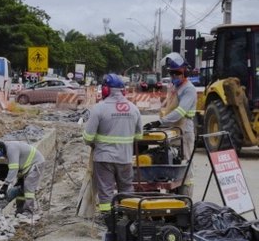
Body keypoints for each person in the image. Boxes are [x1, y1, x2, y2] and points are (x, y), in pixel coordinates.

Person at [83, 73, 142, 221]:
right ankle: (128, 219)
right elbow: (139, 137)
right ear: (123, 90)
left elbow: (87, 137)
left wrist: (95, 142)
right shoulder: (134, 109)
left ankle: (109, 221)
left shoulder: (98, 109)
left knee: (106, 191)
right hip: (125, 158)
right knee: (127, 190)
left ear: (105, 90)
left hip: (103, 158)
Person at [145, 53, 197, 196]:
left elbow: (180, 112)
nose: (174, 76)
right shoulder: (174, 87)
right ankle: (171, 194)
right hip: (172, 129)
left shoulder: (189, 89)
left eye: (177, 73)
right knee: (171, 161)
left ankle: (185, 197)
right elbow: (168, 108)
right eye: (172, 73)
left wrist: (160, 122)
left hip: (184, 130)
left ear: (184, 72)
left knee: (185, 164)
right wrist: (159, 124)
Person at [0, 138, 45, 221]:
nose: (1, 156)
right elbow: (16, 168)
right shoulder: (7, 150)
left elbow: (13, 168)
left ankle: (28, 212)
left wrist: (5, 185)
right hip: (26, 168)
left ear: (0, 148)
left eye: (0, 154)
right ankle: (20, 210)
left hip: (36, 164)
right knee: (21, 188)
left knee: (28, 186)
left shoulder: (11, 149)